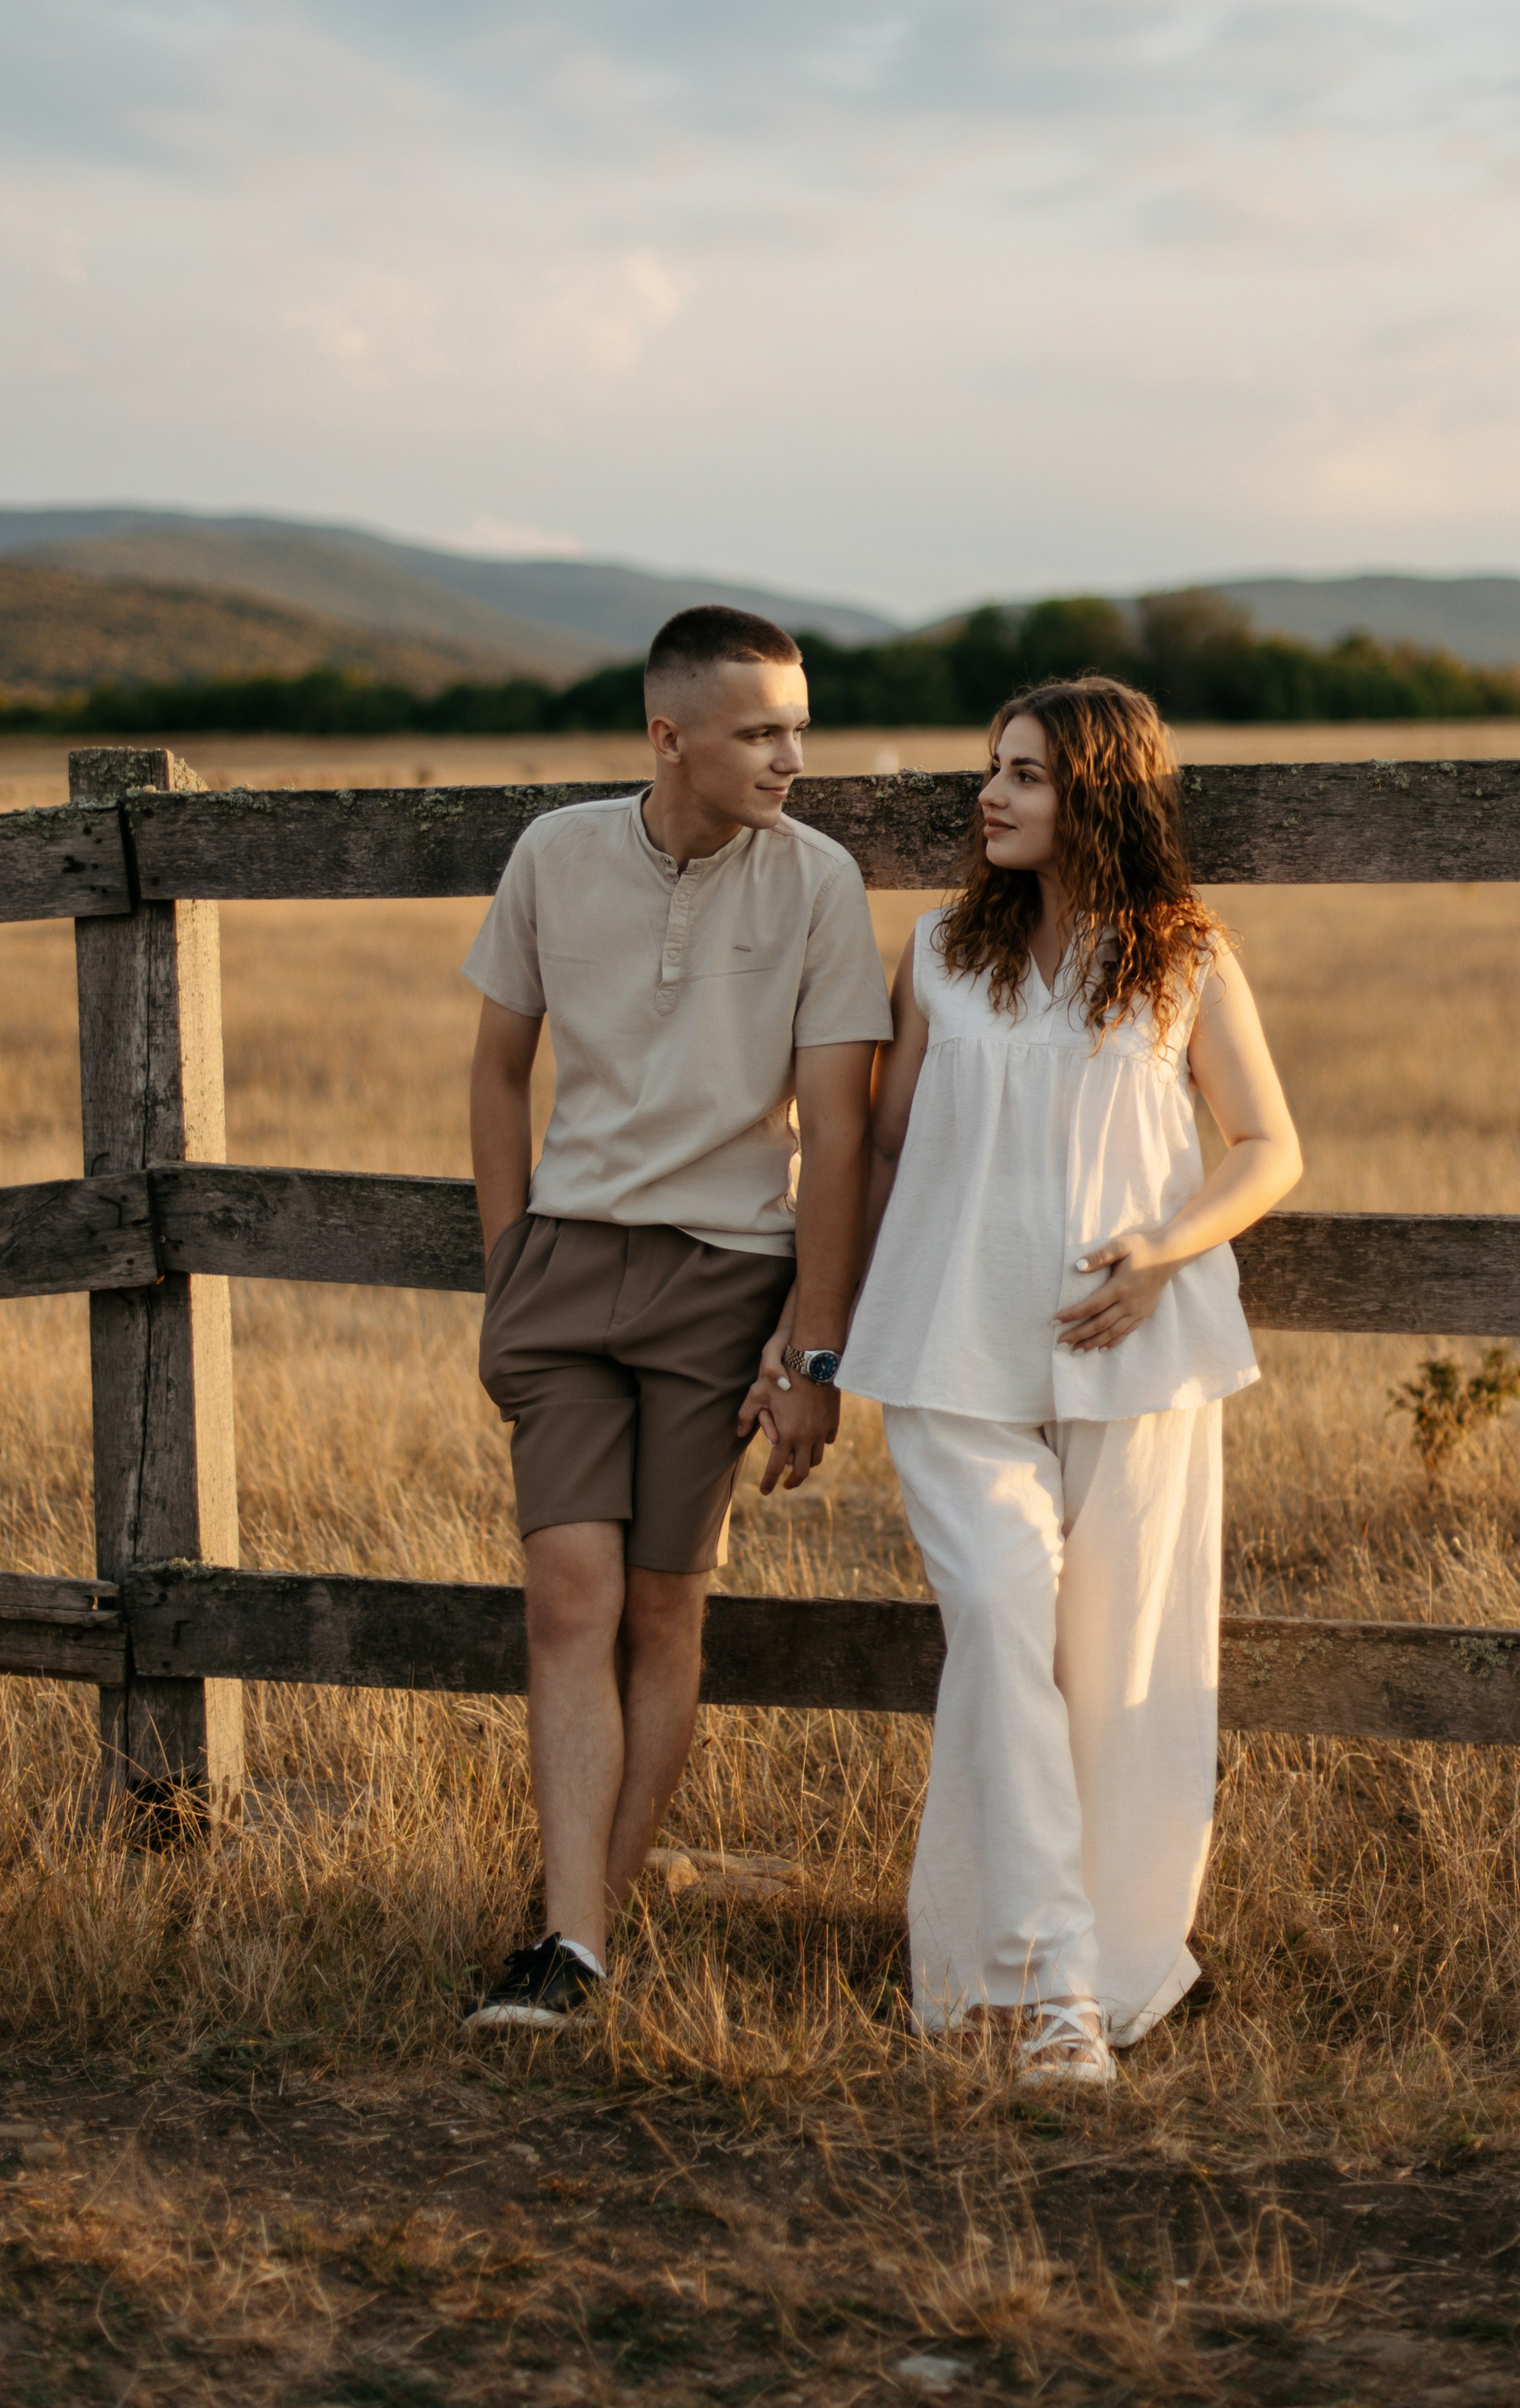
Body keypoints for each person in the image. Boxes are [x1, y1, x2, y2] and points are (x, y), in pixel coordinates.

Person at [833, 676, 1301, 2086]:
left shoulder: (1186, 958)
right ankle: (1046, 1994)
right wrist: (805, 1332)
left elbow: (1269, 1146)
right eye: (993, 768)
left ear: (1098, 791)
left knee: (1121, 1665)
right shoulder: (934, 952)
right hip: (951, 1347)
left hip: (1137, 1354)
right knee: (998, 1618)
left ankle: (1097, 1965)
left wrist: (1164, 1248)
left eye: (1026, 775)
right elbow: (879, 1142)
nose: (992, 795)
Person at [461, 604, 890, 2032]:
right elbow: (498, 1069)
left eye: (800, 727)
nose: (791, 757)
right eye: (762, 730)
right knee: (565, 1599)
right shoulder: (552, 856)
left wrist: (814, 1352)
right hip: (570, 1273)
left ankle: (574, 1937)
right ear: (671, 737)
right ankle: (574, 1947)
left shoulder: (819, 883)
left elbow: (838, 1136)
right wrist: (509, 1257)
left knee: (659, 1607)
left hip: (723, 1280)